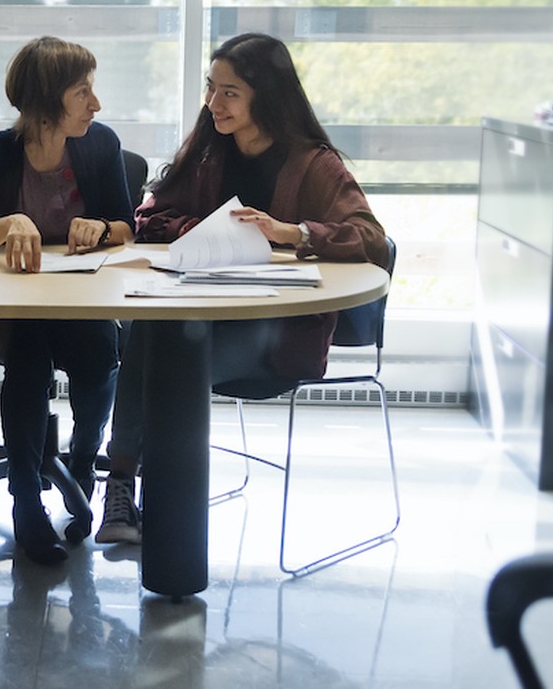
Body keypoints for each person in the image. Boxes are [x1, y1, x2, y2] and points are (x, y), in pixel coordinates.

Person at [94, 32, 390, 545]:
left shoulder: (313, 163)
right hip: (201, 313)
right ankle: (124, 490)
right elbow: (149, 214)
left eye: (229, 92)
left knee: (169, 365)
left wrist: (290, 232)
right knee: (151, 331)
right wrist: (200, 229)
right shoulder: (211, 151)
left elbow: (370, 239)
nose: (213, 104)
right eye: (211, 89)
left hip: (274, 332)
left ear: (266, 96)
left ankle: (146, 504)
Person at [0, 36, 135, 564]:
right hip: (16, 303)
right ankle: (25, 502)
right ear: (45, 101)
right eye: (82, 91)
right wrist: (12, 221)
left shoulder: (99, 145)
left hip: (80, 297)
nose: (95, 104)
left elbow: (127, 229)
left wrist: (100, 227)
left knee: (100, 354)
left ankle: (83, 462)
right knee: (28, 365)